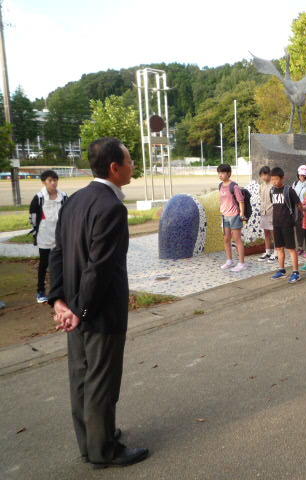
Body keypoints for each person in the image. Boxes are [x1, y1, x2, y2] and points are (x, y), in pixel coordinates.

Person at [48, 137, 148, 469]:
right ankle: (104, 450)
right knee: (102, 382)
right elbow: (99, 267)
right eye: (130, 161)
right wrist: (80, 310)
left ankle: (91, 442)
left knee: (81, 378)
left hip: (75, 308)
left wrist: (59, 301)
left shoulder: (74, 201)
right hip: (98, 312)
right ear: (114, 168)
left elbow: (58, 254)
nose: (133, 165)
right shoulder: (112, 208)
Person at [29, 169, 68, 303]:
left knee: (62, 264)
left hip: (60, 236)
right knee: (44, 264)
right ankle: (40, 291)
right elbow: (33, 217)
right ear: (44, 182)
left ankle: (62, 290)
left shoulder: (64, 196)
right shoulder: (39, 198)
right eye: (50, 180)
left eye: (55, 180)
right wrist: (36, 231)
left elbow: (68, 214)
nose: (53, 183)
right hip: (44, 236)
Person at [269, 167, 302, 282]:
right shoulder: (272, 190)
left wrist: (299, 218)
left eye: (276, 179)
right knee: (279, 248)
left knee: (291, 248)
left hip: (287, 223)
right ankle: (281, 270)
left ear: (282, 178)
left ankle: (296, 272)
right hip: (276, 223)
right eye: (272, 179)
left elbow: (299, 204)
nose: (274, 181)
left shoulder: (289, 190)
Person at [217, 164, 247, 272]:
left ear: (229, 173)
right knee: (226, 239)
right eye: (219, 173)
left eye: (222, 172)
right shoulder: (220, 185)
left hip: (234, 216)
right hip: (225, 216)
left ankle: (242, 263)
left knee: (237, 239)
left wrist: (241, 214)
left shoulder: (234, 186)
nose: (220, 175)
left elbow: (241, 201)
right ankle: (229, 261)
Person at [257, 166, 276, 262]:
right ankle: (267, 251)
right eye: (262, 175)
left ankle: (276, 252)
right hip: (263, 211)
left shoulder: (273, 185)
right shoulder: (262, 186)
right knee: (266, 232)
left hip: (272, 211)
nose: (264, 177)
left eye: (265, 174)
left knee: (274, 232)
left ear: (269, 174)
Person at [292, 165, 306, 256]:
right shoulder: (295, 183)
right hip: (297, 209)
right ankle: (300, 247)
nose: (301, 177)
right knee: (298, 229)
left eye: (303, 175)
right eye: (300, 175)